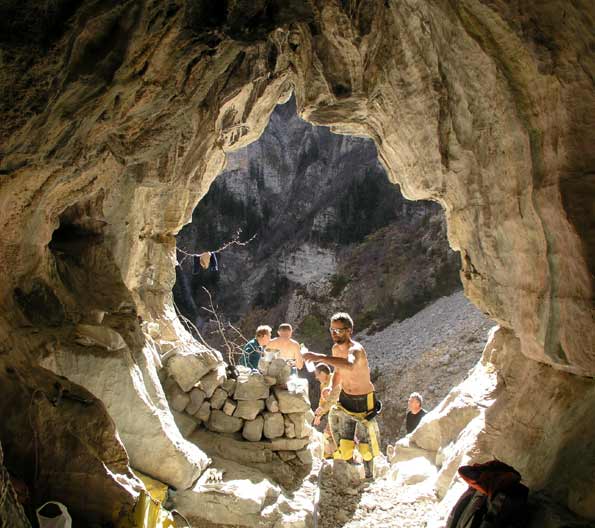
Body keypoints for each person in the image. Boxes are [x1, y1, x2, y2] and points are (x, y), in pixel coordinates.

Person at [302, 312, 381, 479]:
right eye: (332, 330)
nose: (335, 334)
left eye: (339, 330)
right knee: (344, 441)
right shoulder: (335, 349)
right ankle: (349, 472)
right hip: (345, 398)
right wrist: (332, 386)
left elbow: (350, 365)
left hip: (364, 400)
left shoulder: (356, 350)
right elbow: (338, 371)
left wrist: (320, 357)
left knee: (366, 445)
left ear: (349, 331)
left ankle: (369, 477)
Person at [313, 364, 339, 458]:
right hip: (332, 412)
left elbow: (333, 399)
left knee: (331, 433)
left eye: (317, 374)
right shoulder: (323, 384)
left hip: (341, 411)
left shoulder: (335, 380)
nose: (316, 377)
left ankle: (338, 455)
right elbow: (322, 401)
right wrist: (318, 415)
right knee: (327, 434)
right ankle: (330, 454)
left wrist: (322, 411)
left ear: (323, 373)